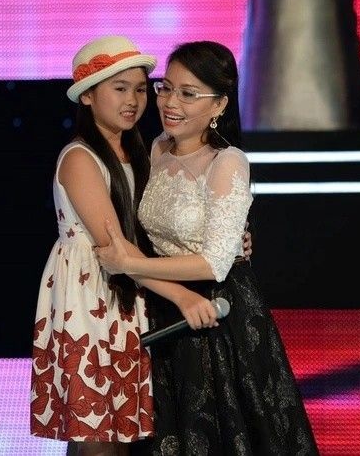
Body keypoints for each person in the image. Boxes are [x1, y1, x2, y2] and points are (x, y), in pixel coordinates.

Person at [31, 36, 253, 455]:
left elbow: (151, 228)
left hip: (129, 298)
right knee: (95, 432)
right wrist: (183, 295)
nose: (133, 100)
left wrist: (227, 239)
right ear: (88, 96)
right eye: (119, 89)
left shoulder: (141, 149)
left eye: (140, 88)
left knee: (122, 434)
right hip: (89, 299)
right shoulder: (80, 158)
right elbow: (114, 249)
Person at [95, 41, 319, 455]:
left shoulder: (227, 161)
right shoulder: (157, 147)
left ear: (219, 104)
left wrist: (129, 264)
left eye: (188, 93)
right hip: (164, 309)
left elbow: (214, 263)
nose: (170, 102)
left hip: (217, 317)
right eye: (166, 88)